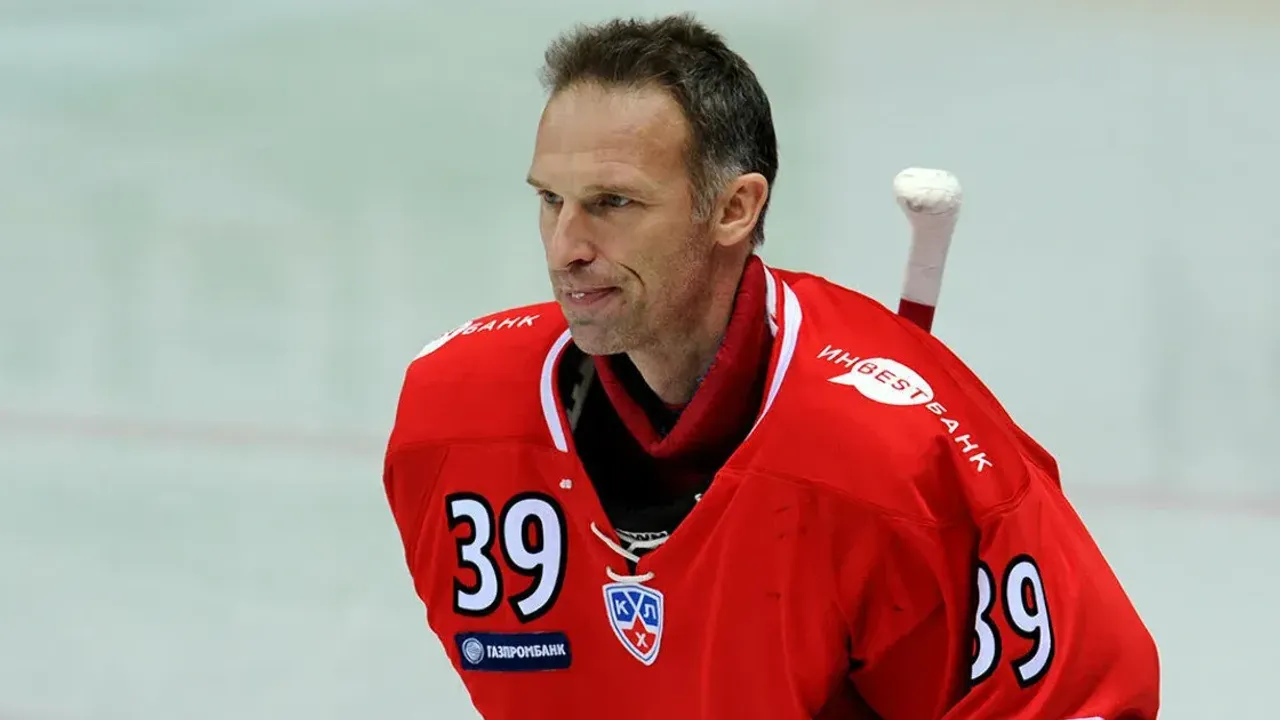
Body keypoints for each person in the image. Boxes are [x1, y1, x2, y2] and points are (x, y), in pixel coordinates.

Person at [382, 13, 1159, 719]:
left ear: (735, 208)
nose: (565, 248)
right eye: (552, 199)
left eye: (614, 202)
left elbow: (1081, 696)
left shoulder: (898, 460)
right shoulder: (455, 421)